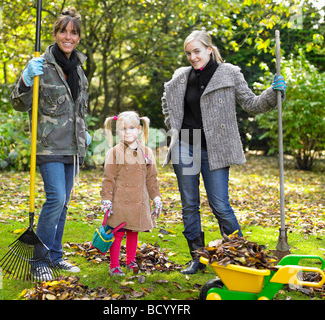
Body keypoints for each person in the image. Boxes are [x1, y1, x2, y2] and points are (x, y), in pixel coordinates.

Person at [161, 30, 286, 274]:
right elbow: (167, 101)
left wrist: (273, 92)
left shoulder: (229, 73)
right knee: (189, 205)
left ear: (209, 49)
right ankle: (197, 258)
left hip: (215, 149)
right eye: (188, 53)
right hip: (185, 146)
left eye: (197, 51)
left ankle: (238, 257)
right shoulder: (181, 77)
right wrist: (171, 123)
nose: (192, 57)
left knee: (220, 204)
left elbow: (252, 104)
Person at [11, 8, 91, 280]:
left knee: (64, 202)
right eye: (63, 31)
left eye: (74, 32)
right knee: (56, 198)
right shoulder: (41, 65)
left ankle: (56, 256)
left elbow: (79, 109)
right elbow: (18, 103)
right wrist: (25, 78)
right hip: (48, 146)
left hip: (73, 147)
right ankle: (39, 262)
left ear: (78, 37)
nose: (68, 37)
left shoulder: (79, 68)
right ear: (55, 34)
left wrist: (85, 132)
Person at [100, 111, 162, 276]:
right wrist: (106, 200)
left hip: (138, 201)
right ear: (117, 131)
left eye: (132, 128)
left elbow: (151, 179)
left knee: (133, 231)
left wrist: (156, 197)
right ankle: (114, 265)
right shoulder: (114, 152)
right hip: (119, 202)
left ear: (140, 129)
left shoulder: (147, 153)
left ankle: (130, 260)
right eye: (123, 129)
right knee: (118, 233)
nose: (127, 132)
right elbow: (108, 179)